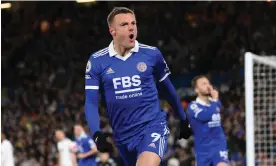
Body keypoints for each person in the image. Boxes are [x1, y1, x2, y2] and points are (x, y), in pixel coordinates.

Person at [84, 7, 191, 166]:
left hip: (152, 126)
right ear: (112, 31)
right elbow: (91, 102)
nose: (131, 27)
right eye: (124, 24)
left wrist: (183, 118)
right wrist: (96, 133)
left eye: (133, 23)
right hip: (122, 136)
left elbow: (167, 89)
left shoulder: (152, 54)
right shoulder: (97, 61)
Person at [187, 75, 229, 166]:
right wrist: (214, 100)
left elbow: (218, 108)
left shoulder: (216, 102)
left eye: (208, 83)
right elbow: (204, 116)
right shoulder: (193, 106)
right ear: (196, 90)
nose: (208, 86)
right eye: (204, 84)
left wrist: (214, 100)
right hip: (203, 151)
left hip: (219, 146)